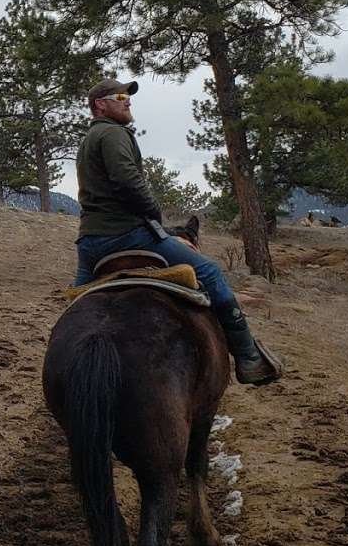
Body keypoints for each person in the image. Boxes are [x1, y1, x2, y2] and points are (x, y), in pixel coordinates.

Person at [73, 80, 282, 385]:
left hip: (90, 243)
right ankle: (249, 357)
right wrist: (152, 211)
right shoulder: (113, 133)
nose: (127, 101)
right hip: (127, 235)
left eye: (128, 97)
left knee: (76, 308)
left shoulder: (89, 138)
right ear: (100, 105)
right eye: (119, 97)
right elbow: (126, 179)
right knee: (209, 272)